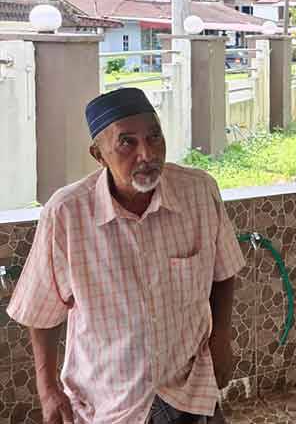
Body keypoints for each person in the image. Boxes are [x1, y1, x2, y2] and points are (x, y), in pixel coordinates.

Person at [6, 88, 246, 424]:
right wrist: (47, 389)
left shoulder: (199, 192)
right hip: (110, 400)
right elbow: (41, 312)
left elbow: (223, 272)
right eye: (127, 142)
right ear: (98, 154)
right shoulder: (67, 214)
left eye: (154, 137)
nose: (146, 154)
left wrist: (222, 339)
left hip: (190, 385)